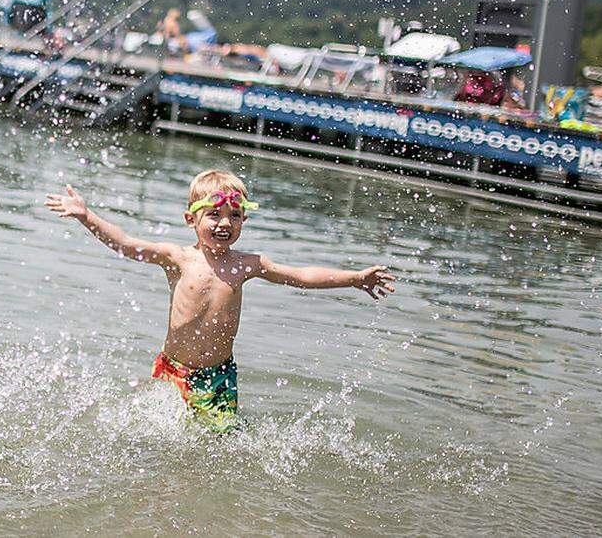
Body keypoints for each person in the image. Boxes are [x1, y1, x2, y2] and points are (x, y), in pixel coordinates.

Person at [45, 170, 395, 432]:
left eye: (235, 215)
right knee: (159, 436)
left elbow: (300, 276)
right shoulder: (178, 257)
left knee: (216, 443)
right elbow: (126, 244)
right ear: (191, 219)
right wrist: (86, 216)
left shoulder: (248, 264)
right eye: (214, 214)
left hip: (219, 377)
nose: (224, 223)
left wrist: (355, 279)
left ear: (244, 219)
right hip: (175, 371)